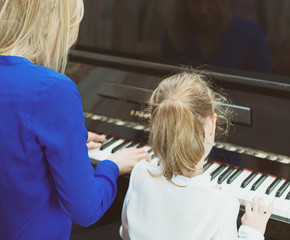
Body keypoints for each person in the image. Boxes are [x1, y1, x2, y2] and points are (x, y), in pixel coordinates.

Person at [0, 1, 150, 239]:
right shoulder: (52, 89)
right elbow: (86, 209)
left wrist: (71, 142)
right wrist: (112, 166)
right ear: (53, 22)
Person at [119, 72, 273, 240]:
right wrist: (252, 232)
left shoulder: (139, 173)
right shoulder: (222, 206)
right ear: (212, 124)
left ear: (156, 126)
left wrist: (205, 196)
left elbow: (127, 234)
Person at [162, 0, 272, 74]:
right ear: (185, 5)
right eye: (195, 1)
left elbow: (264, 92)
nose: (203, 10)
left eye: (211, 0)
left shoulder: (251, 35)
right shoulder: (175, 36)